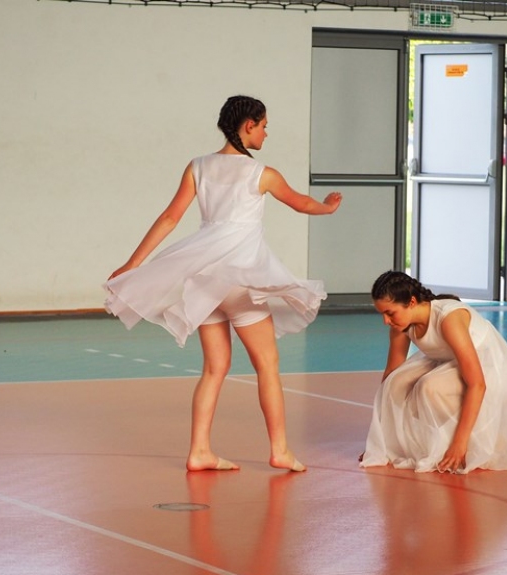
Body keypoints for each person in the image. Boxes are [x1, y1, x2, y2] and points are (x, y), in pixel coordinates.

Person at [104, 95, 342, 472]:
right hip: (240, 280)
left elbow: (169, 218)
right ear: (249, 125)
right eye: (264, 126)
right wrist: (328, 206)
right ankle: (279, 450)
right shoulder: (261, 173)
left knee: (215, 369)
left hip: (205, 279)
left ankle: (200, 451)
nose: (266, 133)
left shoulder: (197, 166)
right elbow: (301, 203)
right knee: (267, 364)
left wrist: (132, 264)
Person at [360, 270, 507, 474]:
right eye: (382, 314)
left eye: (390, 313)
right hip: (446, 362)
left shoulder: (448, 318)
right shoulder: (400, 326)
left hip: (489, 368)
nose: (385, 321)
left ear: (411, 302)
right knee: (395, 383)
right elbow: (390, 374)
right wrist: (378, 444)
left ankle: (476, 440)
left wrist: (459, 444)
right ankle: (400, 445)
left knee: (430, 387)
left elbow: (478, 384)